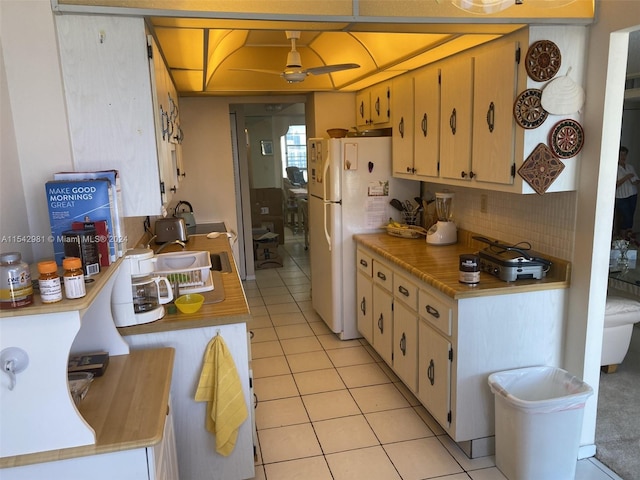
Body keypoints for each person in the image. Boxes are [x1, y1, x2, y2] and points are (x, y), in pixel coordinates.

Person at [615, 146, 640, 239]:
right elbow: (615, 185)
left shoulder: (630, 167)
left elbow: (636, 180)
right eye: (621, 154)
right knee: (627, 217)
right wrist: (626, 177)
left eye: (625, 154)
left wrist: (635, 181)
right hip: (621, 197)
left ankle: (627, 238)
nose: (623, 156)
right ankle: (623, 238)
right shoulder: (614, 168)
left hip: (633, 194)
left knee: (630, 217)